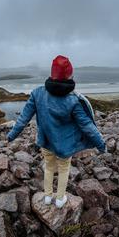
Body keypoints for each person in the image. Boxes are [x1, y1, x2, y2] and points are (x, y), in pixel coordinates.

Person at [7, 55, 106, 208]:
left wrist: (11, 135)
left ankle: (47, 196)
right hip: (64, 145)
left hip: (45, 141)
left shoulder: (37, 93)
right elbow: (87, 126)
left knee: (48, 167)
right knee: (64, 169)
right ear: (69, 75)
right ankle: (60, 199)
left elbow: (23, 119)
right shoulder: (73, 100)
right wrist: (101, 145)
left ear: (52, 73)